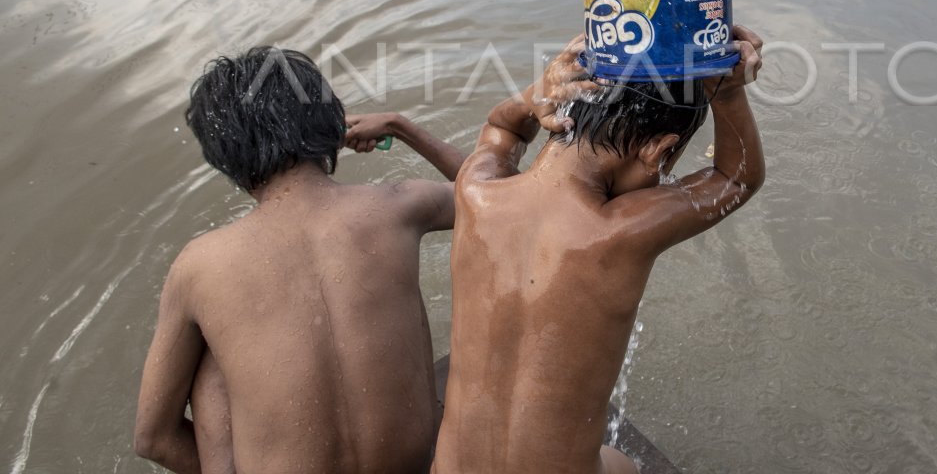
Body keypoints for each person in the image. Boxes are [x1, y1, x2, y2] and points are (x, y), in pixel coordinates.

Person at [432, 28, 765, 474]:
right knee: (622, 464)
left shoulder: (476, 190)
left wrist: (541, 90)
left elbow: (502, 125)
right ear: (659, 151)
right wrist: (727, 95)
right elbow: (736, 178)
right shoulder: (619, 233)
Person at [134, 47, 465, 474]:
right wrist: (403, 127)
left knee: (209, 353)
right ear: (330, 124)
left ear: (223, 156)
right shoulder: (398, 206)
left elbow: (152, 438)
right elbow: (504, 200)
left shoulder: (199, 266)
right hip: (419, 465)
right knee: (465, 362)